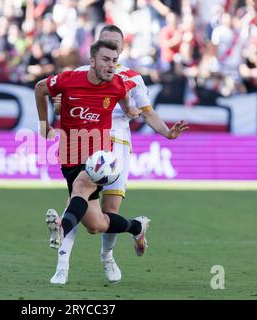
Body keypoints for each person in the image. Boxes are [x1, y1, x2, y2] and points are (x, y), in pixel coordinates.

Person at [46, 25, 189, 285]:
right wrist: (57, 108)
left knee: (103, 216)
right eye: (106, 42)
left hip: (118, 146)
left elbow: (147, 113)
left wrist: (167, 132)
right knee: (76, 199)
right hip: (87, 145)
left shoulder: (132, 79)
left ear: (122, 49)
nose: (111, 48)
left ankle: (108, 255)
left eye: (116, 44)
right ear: (97, 46)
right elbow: (60, 104)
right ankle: (62, 265)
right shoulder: (81, 73)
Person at [35, 39, 149, 285]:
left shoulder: (117, 85)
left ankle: (61, 228)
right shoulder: (68, 80)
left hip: (99, 158)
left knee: (81, 187)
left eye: (114, 61)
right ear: (92, 61)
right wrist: (44, 125)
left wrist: (129, 110)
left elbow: (124, 101)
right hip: (68, 155)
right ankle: (136, 227)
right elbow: (39, 88)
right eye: (106, 60)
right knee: (96, 224)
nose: (111, 66)